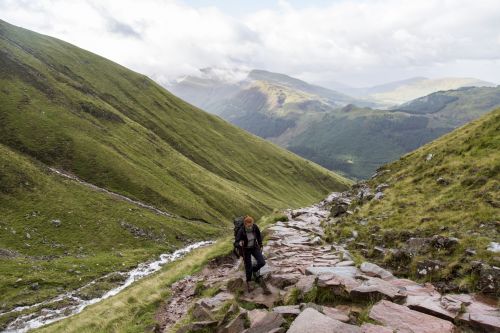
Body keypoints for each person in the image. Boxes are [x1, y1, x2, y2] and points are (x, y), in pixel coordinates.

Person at [235, 215, 266, 292]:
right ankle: (249, 281)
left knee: (262, 262)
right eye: (249, 225)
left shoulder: (255, 227)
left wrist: (260, 244)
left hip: (254, 247)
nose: (250, 227)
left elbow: (258, 236)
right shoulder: (241, 231)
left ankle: (254, 270)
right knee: (248, 266)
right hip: (245, 250)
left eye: (251, 224)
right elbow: (236, 242)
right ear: (245, 224)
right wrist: (239, 243)